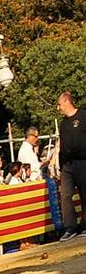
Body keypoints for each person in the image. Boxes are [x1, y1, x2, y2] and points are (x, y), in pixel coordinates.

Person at [56, 91, 86, 241]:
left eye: (60, 104)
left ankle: (85, 225)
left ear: (67, 102)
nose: (58, 108)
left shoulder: (83, 116)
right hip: (67, 165)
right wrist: (58, 162)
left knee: (84, 194)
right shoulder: (63, 123)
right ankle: (70, 227)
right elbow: (60, 143)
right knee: (65, 195)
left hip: (82, 161)